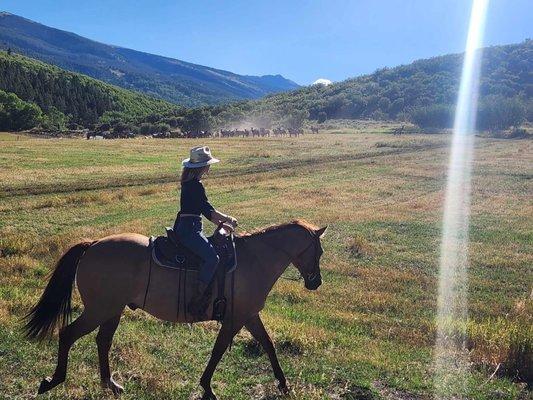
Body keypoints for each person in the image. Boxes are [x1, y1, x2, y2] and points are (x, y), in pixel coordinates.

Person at [174, 146, 237, 319]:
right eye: (208, 165)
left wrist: (223, 220)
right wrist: (227, 219)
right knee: (212, 258)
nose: (209, 168)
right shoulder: (196, 186)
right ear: (203, 167)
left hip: (187, 226)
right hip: (190, 230)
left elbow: (206, 211)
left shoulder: (188, 183)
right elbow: (208, 211)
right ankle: (197, 299)